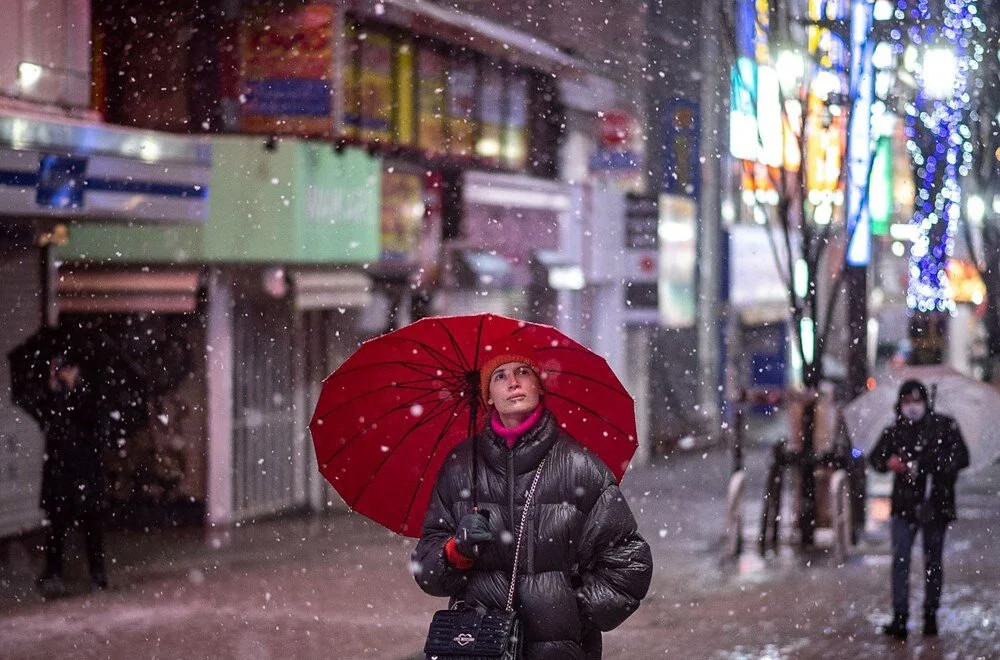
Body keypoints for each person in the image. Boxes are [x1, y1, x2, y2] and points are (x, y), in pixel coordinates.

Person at [411, 344, 652, 659]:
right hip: (480, 646)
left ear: (539, 386)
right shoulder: (460, 467)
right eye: (499, 376)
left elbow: (630, 563)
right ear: (487, 397)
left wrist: (574, 609)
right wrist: (456, 551)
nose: (513, 382)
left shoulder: (578, 466)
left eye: (523, 372)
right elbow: (427, 569)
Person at [869, 379, 969, 640]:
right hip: (904, 505)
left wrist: (931, 464)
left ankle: (930, 615)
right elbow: (876, 458)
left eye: (917, 401)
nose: (912, 407)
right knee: (900, 559)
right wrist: (891, 462)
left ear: (926, 402)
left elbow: (961, 457)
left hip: (936, 504)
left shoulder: (944, 427)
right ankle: (900, 616)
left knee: (932, 561)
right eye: (907, 402)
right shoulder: (895, 430)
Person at [35, 355, 109, 597]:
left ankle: (98, 573)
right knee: (56, 525)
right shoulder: (52, 395)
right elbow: (48, 422)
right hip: (60, 472)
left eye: (66, 368)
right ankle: (53, 572)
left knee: (91, 525)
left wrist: (71, 392)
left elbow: (91, 424)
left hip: (84, 470)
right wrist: (55, 393)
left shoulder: (88, 394)